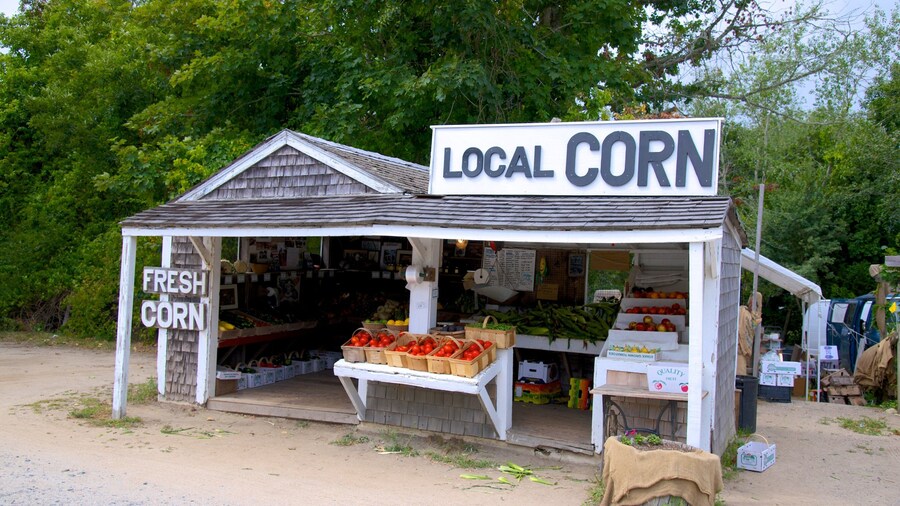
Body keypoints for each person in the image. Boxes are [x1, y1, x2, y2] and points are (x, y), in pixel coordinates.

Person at [737, 292, 762, 376]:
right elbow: (746, 328)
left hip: (742, 349)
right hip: (740, 347)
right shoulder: (744, 312)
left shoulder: (751, 315)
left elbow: (751, 328)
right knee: (740, 371)